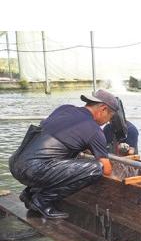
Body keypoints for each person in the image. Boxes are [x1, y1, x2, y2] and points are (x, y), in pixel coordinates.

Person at [9, 89, 118, 219]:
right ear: (103, 109)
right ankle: (42, 200)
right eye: (110, 117)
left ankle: (29, 194)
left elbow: (58, 140)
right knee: (96, 168)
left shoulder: (65, 109)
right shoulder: (94, 130)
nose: (107, 122)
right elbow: (106, 169)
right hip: (33, 170)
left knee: (63, 155)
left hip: (16, 163)